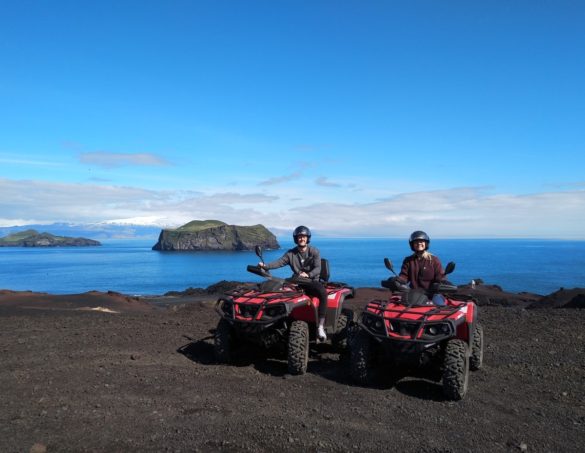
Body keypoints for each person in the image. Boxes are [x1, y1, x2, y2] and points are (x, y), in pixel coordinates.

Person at [259, 225, 329, 340]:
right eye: (299, 237)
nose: (302, 239)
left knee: (322, 292)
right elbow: (279, 262)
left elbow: (318, 268)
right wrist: (266, 266)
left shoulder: (314, 251)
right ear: (296, 239)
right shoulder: (291, 254)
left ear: (308, 238)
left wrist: (308, 275)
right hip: (297, 282)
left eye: (304, 237)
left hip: (311, 282)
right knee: (276, 292)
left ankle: (320, 326)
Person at [397, 230, 446, 305]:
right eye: (416, 241)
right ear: (412, 244)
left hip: (431, 294)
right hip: (413, 295)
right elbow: (404, 276)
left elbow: (441, 277)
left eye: (422, 241)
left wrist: (443, 283)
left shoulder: (434, 260)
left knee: (441, 308)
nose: (419, 243)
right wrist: (397, 280)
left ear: (426, 244)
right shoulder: (408, 260)